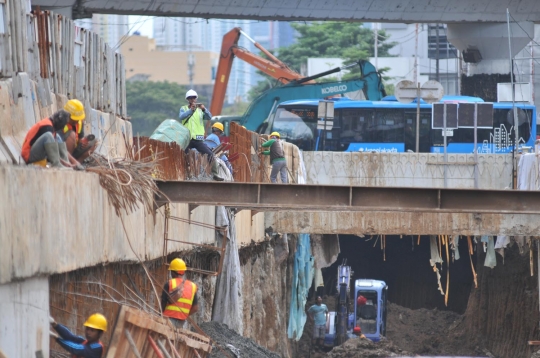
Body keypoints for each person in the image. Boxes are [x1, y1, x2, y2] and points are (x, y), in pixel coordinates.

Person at [179, 89, 223, 181]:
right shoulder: (184, 108)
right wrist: (191, 111)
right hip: (187, 139)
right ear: (188, 99)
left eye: (194, 98)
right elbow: (181, 117)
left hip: (198, 139)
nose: (192, 99)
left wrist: (204, 109)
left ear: (196, 99)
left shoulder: (200, 110)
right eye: (190, 98)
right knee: (183, 156)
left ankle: (215, 174)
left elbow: (209, 117)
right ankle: (184, 174)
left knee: (210, 155)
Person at [161, 258, 199, 329]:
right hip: (181, 321)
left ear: (172, 272)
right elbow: (195, 308)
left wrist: (160, 315)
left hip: (168, 319)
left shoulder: (170, 283)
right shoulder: (193, 286)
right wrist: (184, 315)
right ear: (183, 272)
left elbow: (163, 303)